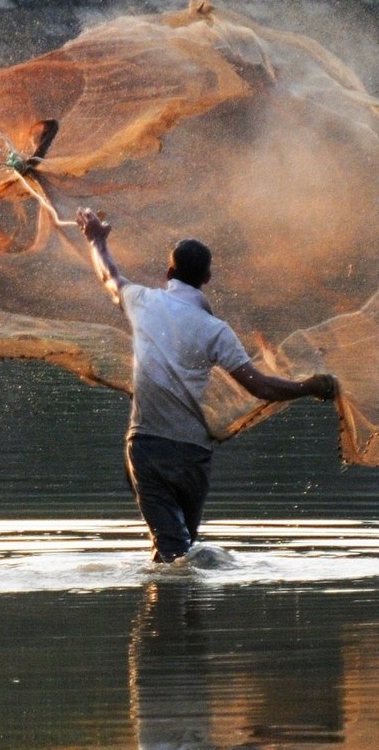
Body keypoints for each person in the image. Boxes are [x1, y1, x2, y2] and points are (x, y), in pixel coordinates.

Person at [76, 209, 337, 564]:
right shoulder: (216, 330)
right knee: (177, 548)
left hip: (147, 448)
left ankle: (176, 603)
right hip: (192, 457)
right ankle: (185, 609)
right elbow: (260, 386)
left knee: (174, 553)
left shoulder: (143, 301)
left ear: (169, 273)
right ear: (207, 278)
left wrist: (96, 240)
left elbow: (109, 276)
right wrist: (308, 387)